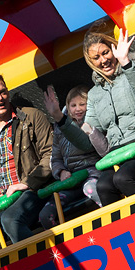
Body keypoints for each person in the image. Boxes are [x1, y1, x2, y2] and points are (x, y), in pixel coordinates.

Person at [45, 23, 135, 206]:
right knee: (104, 186)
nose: (103, 60)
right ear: (90, 62)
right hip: (119, 152)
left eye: (106, 53)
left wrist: (126, 64)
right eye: (96, 57)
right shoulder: (96, 94)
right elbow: (85, 140)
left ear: (114, 50)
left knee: (122, 178)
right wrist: (60, 118)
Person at [0, 68, 53, 260]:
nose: (0, 98)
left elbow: (51, 154)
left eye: (2, 92)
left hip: (30, 191)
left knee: (11, 220)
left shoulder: (31, 117)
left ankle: (43, 266)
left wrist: (28, 182)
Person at [39, 84, 104, 229]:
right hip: (71, 180)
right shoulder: (59, 129)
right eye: (73, 105)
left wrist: (90, 131)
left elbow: (100, 148)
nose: (78, 109)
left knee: (91, 190)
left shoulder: (92, 121)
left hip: (91, 173)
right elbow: (55, 157)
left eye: (82, 104)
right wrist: (61, 172)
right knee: (45, 214)